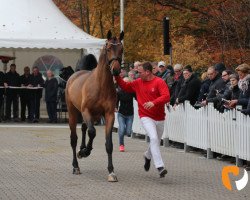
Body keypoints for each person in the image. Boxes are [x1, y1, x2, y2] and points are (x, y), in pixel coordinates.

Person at [115, 62, 170, 178]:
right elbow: (125, 86)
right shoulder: (138, 82)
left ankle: (147, 156)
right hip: (145, 116)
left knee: (155, 141)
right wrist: (116, 76)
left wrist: (153, 103)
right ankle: (160, 166)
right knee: (154, 138)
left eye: (140, 72)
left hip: (160, 117)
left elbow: (166, 96)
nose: (137, 74)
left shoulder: (159, 82)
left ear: (147, 72)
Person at [116, 77, 135, 152]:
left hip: (130, 114)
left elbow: (138, 98)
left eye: (127, 82)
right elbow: (116, 101)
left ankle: (123, 131)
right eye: (124, 82)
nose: (125, 84)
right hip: (121, 114)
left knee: (128, 132)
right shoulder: (119, 92)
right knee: (121, 130)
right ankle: (121, 145)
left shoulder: (132, 91)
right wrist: (115, 107)